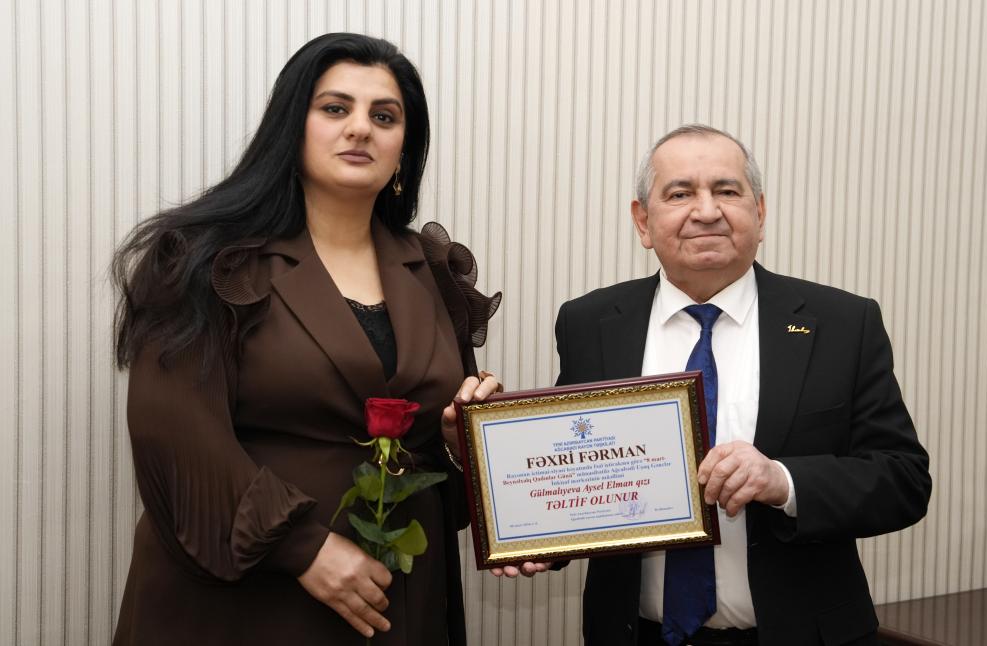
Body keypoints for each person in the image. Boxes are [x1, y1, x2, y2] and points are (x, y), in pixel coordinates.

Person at [111, 33, 502, 645]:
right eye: (335, 108)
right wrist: (302, 548)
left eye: (384, 116)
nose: (360, 128)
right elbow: (175, 436)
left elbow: (439, 465)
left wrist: (459, 444)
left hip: (394, 600)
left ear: (404, 149)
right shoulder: (204, 259)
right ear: (291, 127)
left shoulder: (432, 270)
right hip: (242, 598)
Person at [553, 124, 931, 645]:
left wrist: (784, 481)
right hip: (634, 634)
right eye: (680, 193)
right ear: (643, 221)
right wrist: (529, 535)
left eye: (726, 190)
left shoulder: (842, 323)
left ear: (760, 212)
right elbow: (578, 474)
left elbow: (903, 480)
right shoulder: (590, 323)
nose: (706, 211)